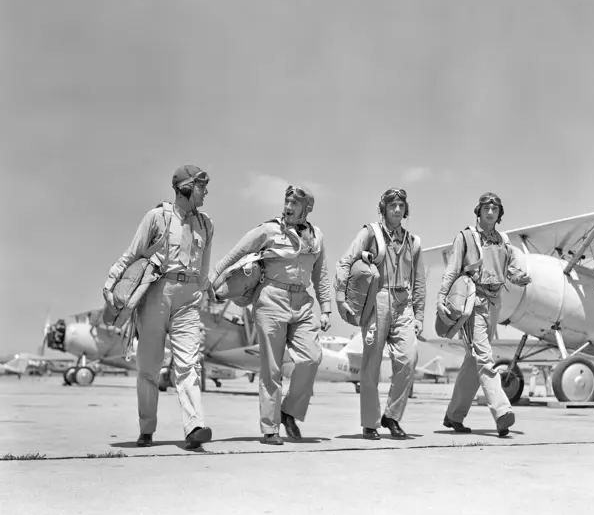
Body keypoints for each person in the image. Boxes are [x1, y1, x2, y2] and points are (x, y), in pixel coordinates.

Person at [210, 185, 331, 445]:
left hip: (303, 303)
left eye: (295, 204)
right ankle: (270, 428)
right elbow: (236, 254)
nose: (288, 207)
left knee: (312, 358)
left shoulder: (316, 236)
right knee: (271, 369)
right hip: (271, 301)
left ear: (306, 209)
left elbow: (321, 275)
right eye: (287, 201)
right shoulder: (268, 230)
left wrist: (327, 308)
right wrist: (211, 282)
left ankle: (289, 411)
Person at [104, 165, 215, 450]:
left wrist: (208, 290)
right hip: (156, 294)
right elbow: (132, 253)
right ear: (187, 189)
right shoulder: (157, 217)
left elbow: (203, 271)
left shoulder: (206, 225)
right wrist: (110, 283)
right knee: (149, 368)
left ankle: (194, 429)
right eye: (202, 187)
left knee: (189, 363)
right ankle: (146, 428)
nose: (206, 192)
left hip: (188, 300)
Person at [437, 192, 532, 437]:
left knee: (473, 361)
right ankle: (502, 412)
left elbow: (510, 270)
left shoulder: (503, 240)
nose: (491, 212)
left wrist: (519, 277)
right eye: (486, 208)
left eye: (495, 208)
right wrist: (440, 298)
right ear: (478, 211)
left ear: (500, 214)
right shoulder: (465, 237)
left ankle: (453, 415)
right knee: (484, 356)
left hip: (494, 302)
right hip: (473, 301)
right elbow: (452, 270)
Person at [334, 188, 426, 440]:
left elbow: (419, 281)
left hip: (403, 303)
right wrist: (341, 296)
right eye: (392, 205)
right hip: (378, 300)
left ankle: (392, 416)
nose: (397, 209)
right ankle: (370, 423)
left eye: (401, 205)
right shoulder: (369, 233)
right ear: (383, 208)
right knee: (371, 364)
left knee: (409, 358)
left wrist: (419, 315)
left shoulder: (413, 242)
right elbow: (345, 262)